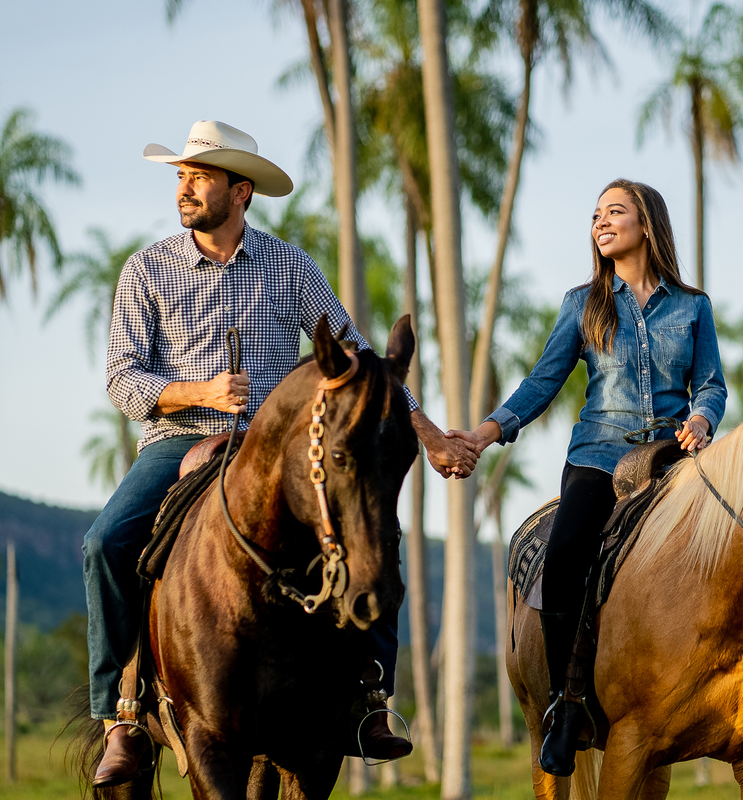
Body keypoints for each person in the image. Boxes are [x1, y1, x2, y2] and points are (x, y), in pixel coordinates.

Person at [84, 120, 479, 786]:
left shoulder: (289, 266)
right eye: (180, 176)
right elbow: (123, 378)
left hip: (281, 452)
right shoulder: (146, 270)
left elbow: (357, 365)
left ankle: (370, 701)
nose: (184, 188)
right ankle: (118, 716)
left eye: (199, 176)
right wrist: (197, 390)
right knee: (103, 543)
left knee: (374, 534)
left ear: (240, 192)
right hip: (179, 440)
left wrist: (431, 432)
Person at [458, 178, 743, 776]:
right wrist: (486, 431)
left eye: (615, 211)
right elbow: (542, 382)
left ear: (647, 224)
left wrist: (704, 419)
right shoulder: (583, 303)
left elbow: (711, 383)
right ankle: (565, 705)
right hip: (598, 457)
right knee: (565, 560)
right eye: (596, 215)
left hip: (678, 464)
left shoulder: (692, 306)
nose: (601, 222)